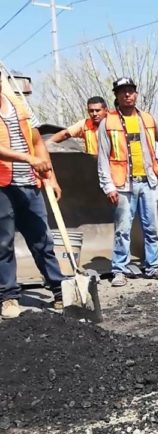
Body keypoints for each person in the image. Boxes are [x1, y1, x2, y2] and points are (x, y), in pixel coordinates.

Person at [0, 73, 65, 318]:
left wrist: (51, 176)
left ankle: (59, 288)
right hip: (3, 186)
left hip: (30, 182)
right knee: (3, 244)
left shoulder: (20, 105)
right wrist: (29, 159)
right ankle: (8, 297)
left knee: (42, 240)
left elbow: (37, 142)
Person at [97, 77, 158, 287]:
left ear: (136, 94)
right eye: (122, 92)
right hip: (123, 185)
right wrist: (108, 186)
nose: (127, 95)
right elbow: (103, 158)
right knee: (123, 229)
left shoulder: (148, 119)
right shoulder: (107, 123)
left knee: (152, 228)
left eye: (130, 91)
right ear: (116, 96)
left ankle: (154, 266)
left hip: (147, 183)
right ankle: (119, 270)